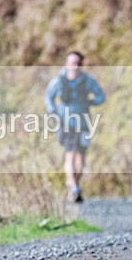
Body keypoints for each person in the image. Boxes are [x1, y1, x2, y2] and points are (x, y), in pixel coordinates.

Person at [44, 51, 105, 204]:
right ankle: (74, 187)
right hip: (65, 123)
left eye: (77, 63)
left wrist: (89, 102)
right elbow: (48, 97)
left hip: (83, 122)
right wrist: (53, 111)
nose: (74, 66)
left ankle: (74, 184)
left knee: (81, 158)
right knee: (70, 154)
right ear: (66, 63)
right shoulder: (58, 81)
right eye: (72, 63)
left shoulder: (87, 81)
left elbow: (100, 96)